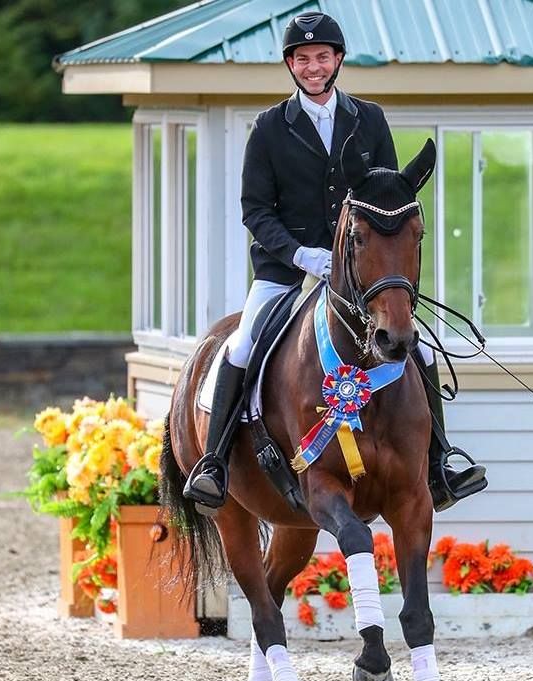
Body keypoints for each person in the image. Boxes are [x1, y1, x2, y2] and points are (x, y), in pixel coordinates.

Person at [184, 12, 486, 511]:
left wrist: (370, 258)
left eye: (322, 57)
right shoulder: (269, 128)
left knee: (423, 350)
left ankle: (440, 465)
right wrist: (302, 254)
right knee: (241, 345)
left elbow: (390, 195)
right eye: (303, 59)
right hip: (286, 271)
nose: (313, 67)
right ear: (291, 65)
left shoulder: (368, 118)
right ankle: (214, 462)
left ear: (338, 60)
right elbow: (255, 210)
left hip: (362, 275)